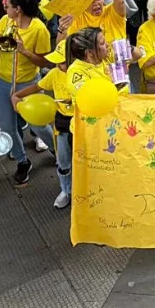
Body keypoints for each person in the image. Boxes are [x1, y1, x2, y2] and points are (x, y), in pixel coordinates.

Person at [14, 27, 115, 209]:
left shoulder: (93, 67)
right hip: (63, 123)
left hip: (88, 124)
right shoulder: (57, 74)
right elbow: (37, 87)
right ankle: (66, 190)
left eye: (62, 62)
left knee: (93, 160)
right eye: (57, 63)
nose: (59, 66)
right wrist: (17, 95)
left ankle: (94, 191)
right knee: (63, 160)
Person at [0, 0, 51, 185]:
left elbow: (44, 63)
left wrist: (24, 51)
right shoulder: (6, 22)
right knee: (7, 128)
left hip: (27, 83)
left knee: (38, 125)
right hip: (0, 81)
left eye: (8, 4)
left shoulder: (39, 30)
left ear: (18, 9)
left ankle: (55, 148)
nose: (5, 6)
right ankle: (22, 161)